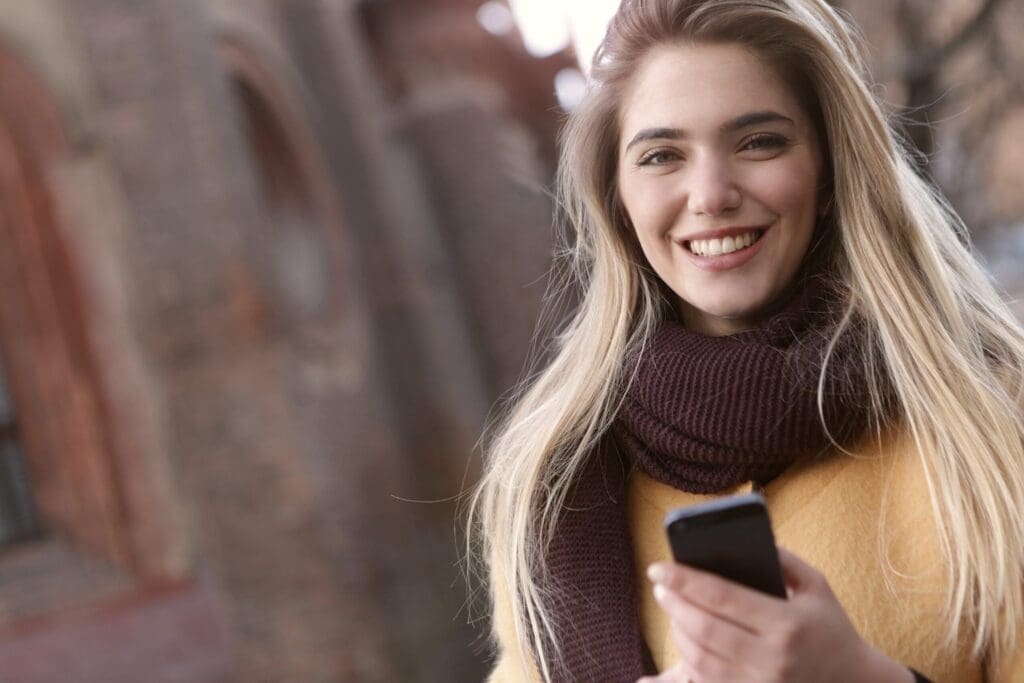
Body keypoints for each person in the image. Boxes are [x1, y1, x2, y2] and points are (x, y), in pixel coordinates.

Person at [466, 0, 1024, 681]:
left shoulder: (990, 418)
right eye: (662, 155)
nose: (710, 193)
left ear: (828, 173)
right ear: (618, 200)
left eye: (759, 141)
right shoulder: (554, 476)